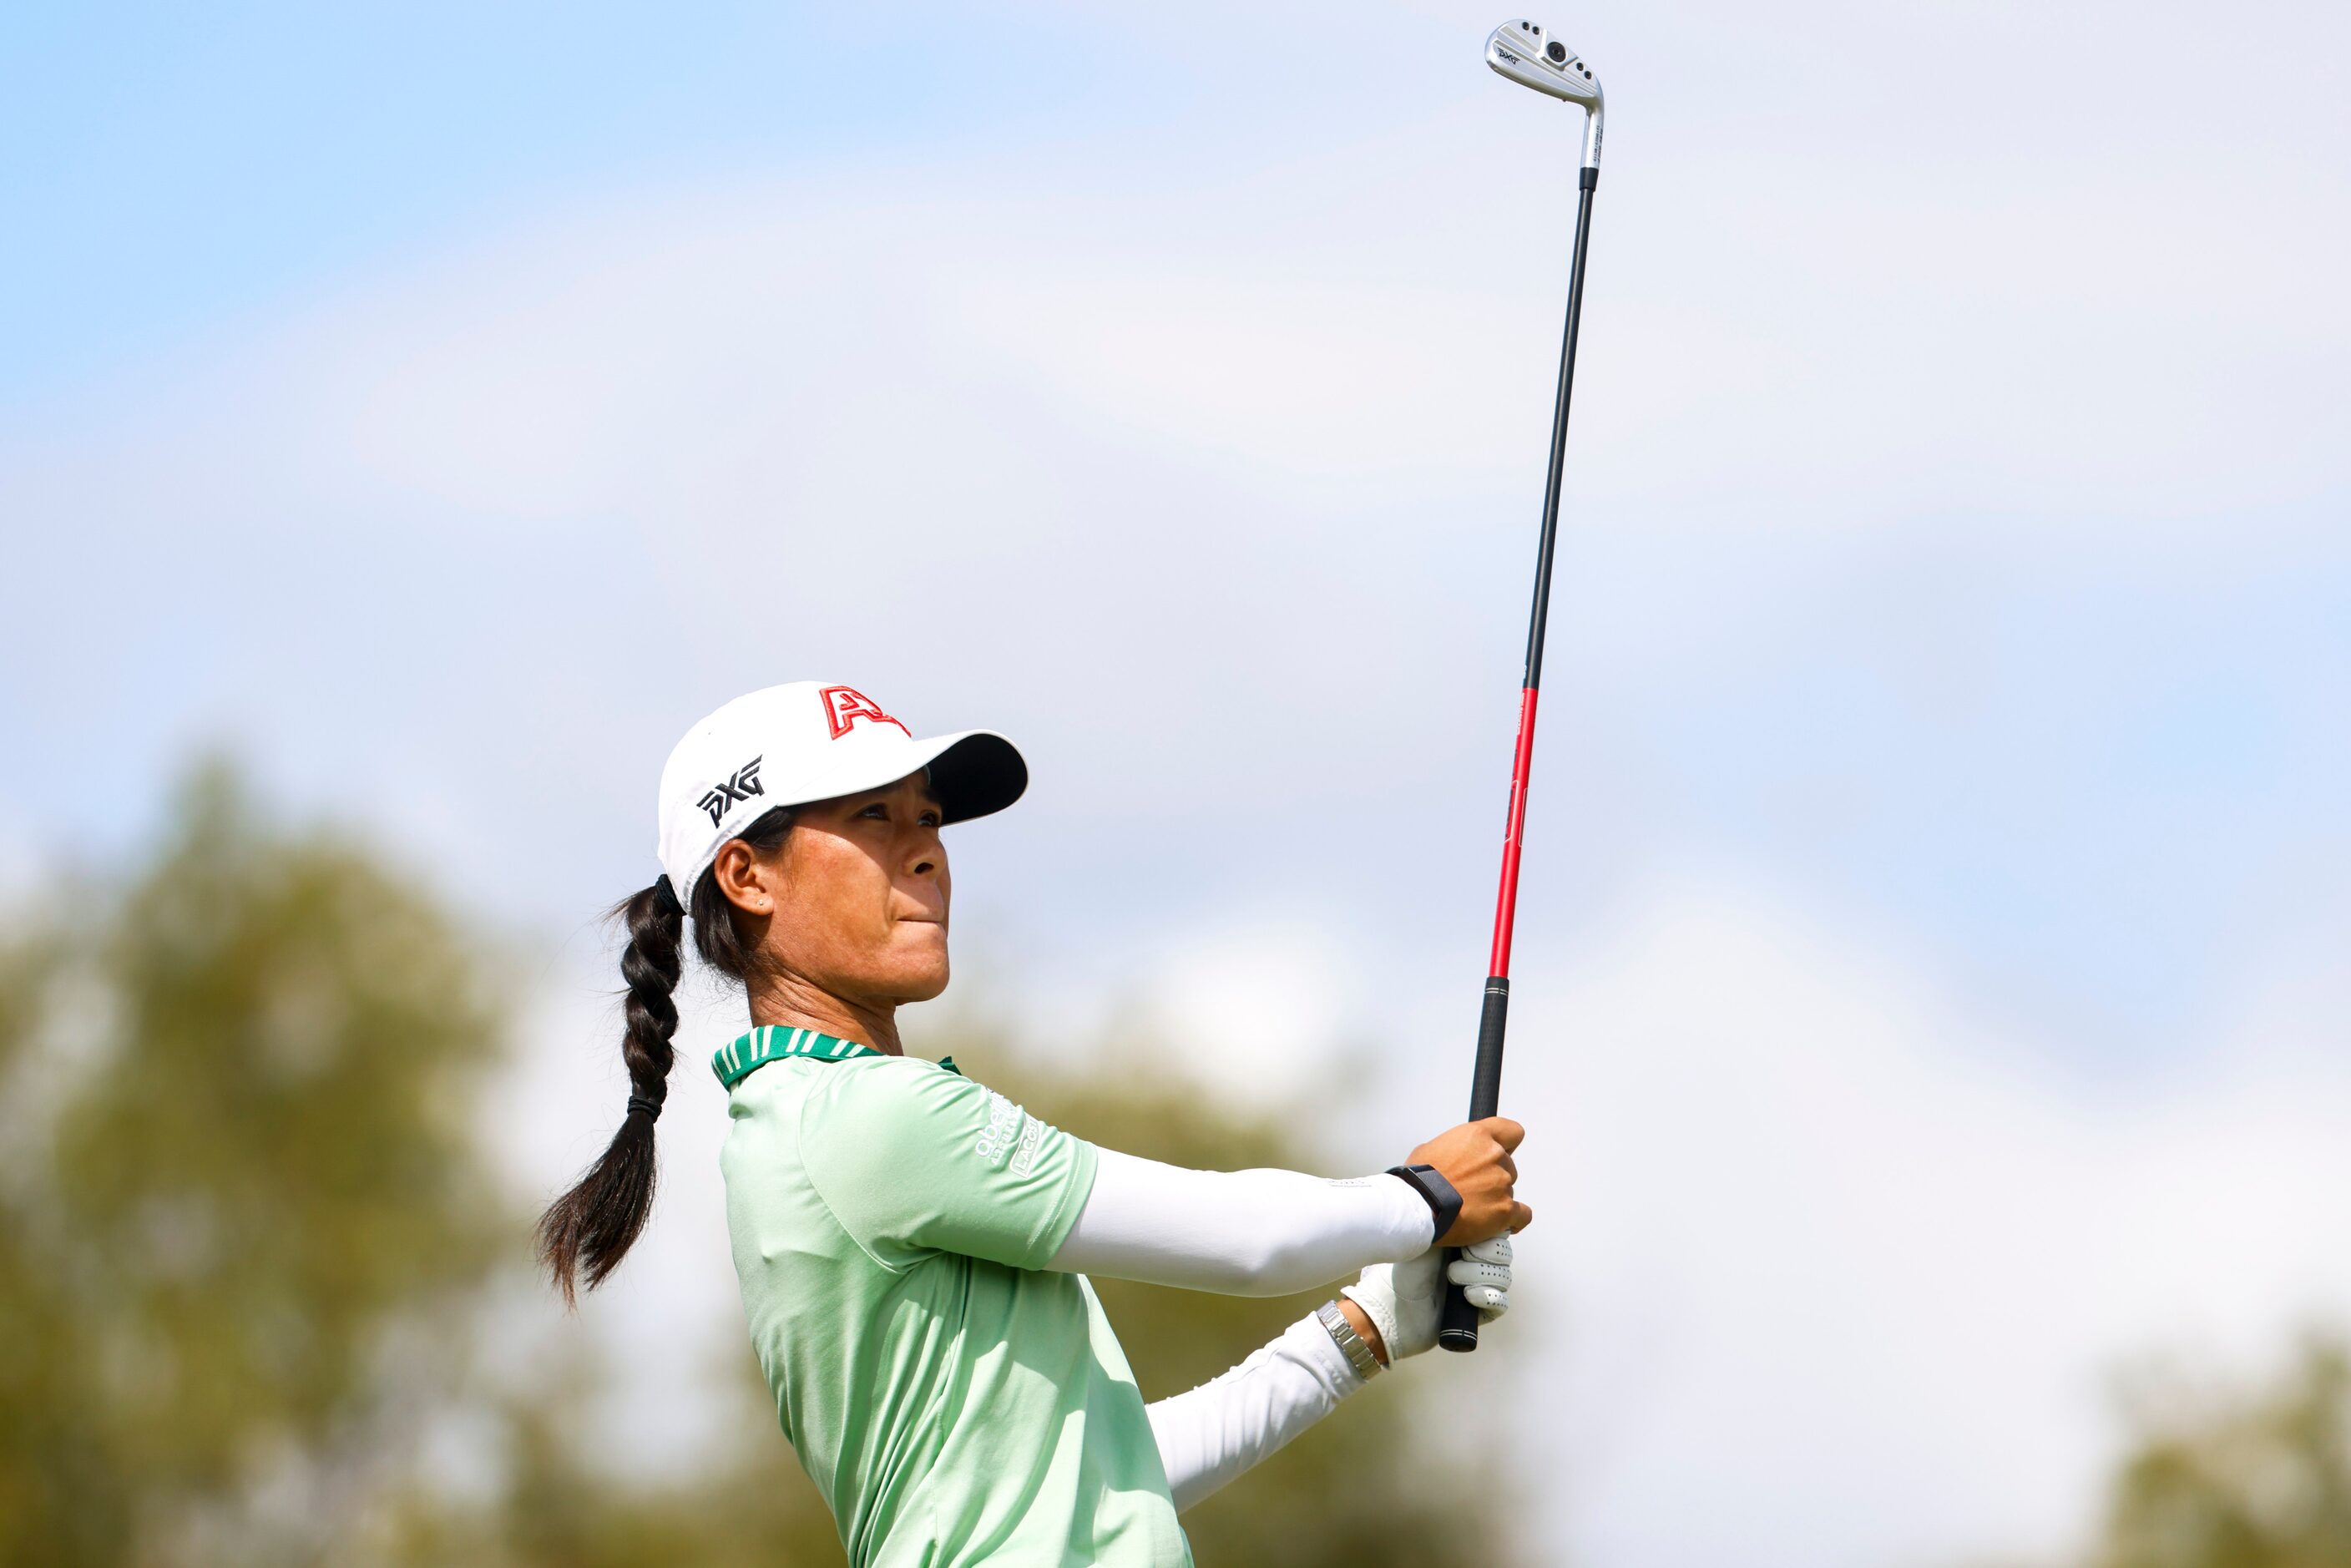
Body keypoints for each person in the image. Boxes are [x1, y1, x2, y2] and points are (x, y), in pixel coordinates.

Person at [539, 682, 1529, 1568]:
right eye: (872, 816)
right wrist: (1427, 1199)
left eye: (926, 816)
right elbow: (1248, 1240)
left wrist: (1360, 1330)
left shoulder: (799, 1118)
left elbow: (1097, 1492)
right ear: (747, 876)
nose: (926, 849)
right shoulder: (867, 1119)